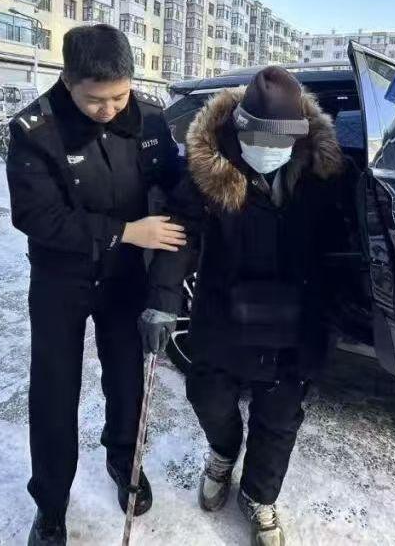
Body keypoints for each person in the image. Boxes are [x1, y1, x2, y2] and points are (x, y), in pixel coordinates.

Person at [146, 66, 348, 546]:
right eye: (258, 140)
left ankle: (259, 496)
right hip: (223, 309)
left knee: (279, 417)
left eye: (279, 142)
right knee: (208, 396)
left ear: (298, 136)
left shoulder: (325, 174)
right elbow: (179, 234)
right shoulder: (210, 169)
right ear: (239, 130)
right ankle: (222, 452)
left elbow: (344, 246)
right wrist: (162, 302)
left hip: (294, 316)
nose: (267, 150)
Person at [5, 24, 183, 546]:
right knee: (54, 389)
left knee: (126, 377)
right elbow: (37, 216)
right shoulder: (35, 129)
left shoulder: (149, 117)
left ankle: (124, 461)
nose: (109, 109)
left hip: (124, 275)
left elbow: (170, 184)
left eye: (119, 97)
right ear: (68, 81)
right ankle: (51, 503)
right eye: (95, 100)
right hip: (61, 278)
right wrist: (125, 230)